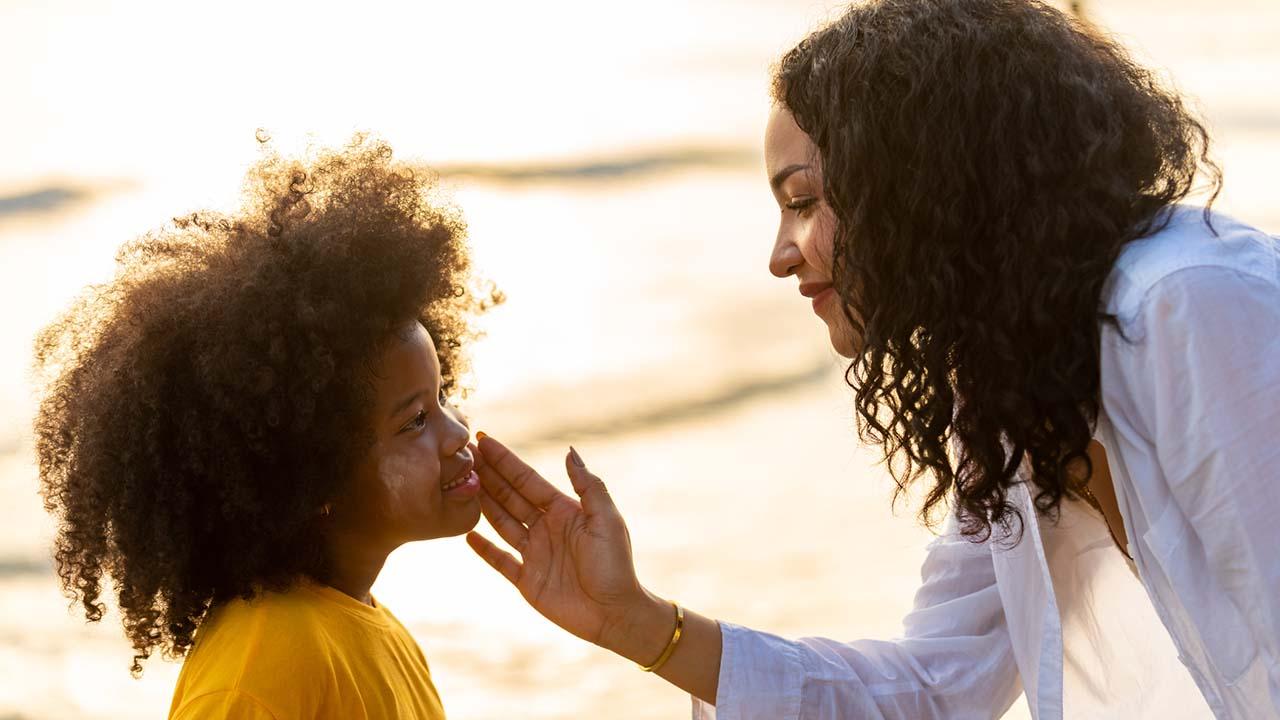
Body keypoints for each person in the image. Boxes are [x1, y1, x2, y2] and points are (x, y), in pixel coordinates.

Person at [465, 1, 1280, 718]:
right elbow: (930, 692)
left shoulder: (1186, 306)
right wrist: (638, 623)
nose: (781, 257)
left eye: (804, 201)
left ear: (918, 180)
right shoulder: (1010, 394)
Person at [33, 137, 494, 719]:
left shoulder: (371, 632)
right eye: (416, 421)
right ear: (313, 472)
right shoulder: (265, 663)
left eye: (443, 397)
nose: (458, 435)